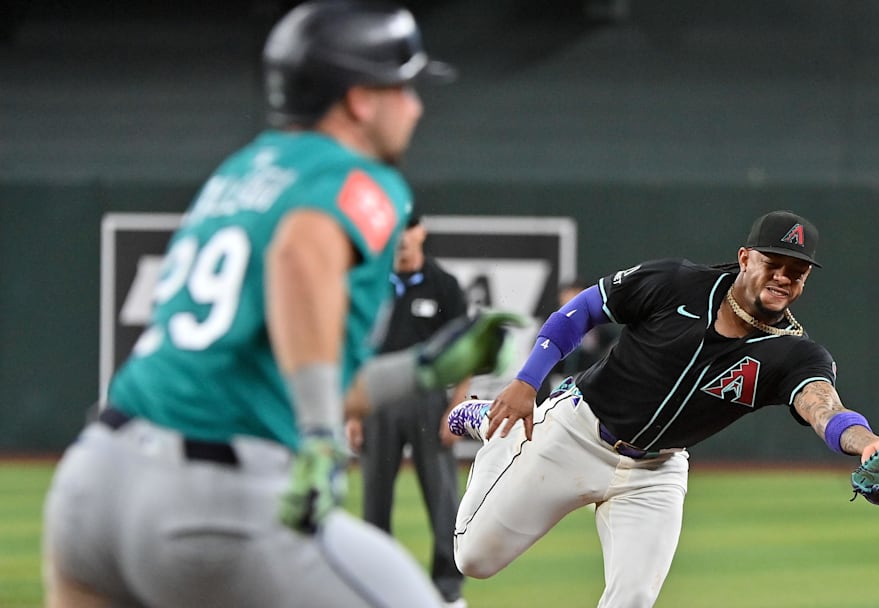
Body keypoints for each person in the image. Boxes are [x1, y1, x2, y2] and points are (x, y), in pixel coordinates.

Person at [41, 2, 523, 607]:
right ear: (359, 100)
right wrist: (322, 437)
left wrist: (423, 370)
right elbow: (298, 253)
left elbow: (295, 375)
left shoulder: (241, 171)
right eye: (402, 88)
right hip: (208, 496)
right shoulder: (359, 177)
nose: (416, 106)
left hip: (96, 482)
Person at [447, 210, 879, 607]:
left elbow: (823, 407)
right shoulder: (677, 284)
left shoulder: (793, 353)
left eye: (799, 270)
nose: (785, 277)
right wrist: (528, 380)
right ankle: (498, 430)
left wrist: (867, 442)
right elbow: (584, 310)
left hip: (656, 471)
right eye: (775, 262)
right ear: (746, 257)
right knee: (474, 560)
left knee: (633, 599)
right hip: (578, 431)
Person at [348, 212, 470, 607]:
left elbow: (466, 350)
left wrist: (457, 405)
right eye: (394, 231)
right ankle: (372, 587)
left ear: (421, 232)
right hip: (375, 398)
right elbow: (352, 347)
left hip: (429, 401)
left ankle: (448, 590)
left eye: (408, 229)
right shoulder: (371, 284)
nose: (401, 238)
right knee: (374, 499)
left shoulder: (444, 285)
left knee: (442, 497)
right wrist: (351, 413)